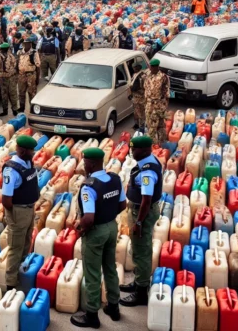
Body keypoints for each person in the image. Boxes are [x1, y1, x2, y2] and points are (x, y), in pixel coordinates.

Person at [71, 147, 124, 328]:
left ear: (91, 164)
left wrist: (81, 229)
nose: (83, 166)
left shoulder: (89, 187)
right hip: (111, 228)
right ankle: (113, 307)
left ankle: (92, 315)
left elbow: (89, 218)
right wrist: (108, 215)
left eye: (84, 163)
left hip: (96, 232)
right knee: (110, 268)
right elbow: (122, 204)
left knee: (92, 273)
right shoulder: (115, 179)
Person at [120, 136, 164, 307]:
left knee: (142, 251)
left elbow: (146, 199)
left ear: (145, 150)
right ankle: (138, 282)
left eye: (135, 150)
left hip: (142, 212)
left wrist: (138, 222)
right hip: (140, 210)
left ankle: (141, 292)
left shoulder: (147, 171)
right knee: (139, 248)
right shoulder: (148, 162)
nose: (132, 152)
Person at [2, 135, 39, 291]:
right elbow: (6, 199)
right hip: (19, 211)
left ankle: (21, 274)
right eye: (31, 150)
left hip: (29, 209)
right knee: (15, 248)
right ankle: (10, 284)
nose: (34, 153)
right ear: (23, 151)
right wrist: (14, 215)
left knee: (25, 243)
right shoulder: (11, 170)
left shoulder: (28, 163)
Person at [143, 59, 170, 144]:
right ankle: (156, 146)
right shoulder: (148, 76)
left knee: (158, 127)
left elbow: (167, 93)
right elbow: (145, 89)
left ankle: (159, 145)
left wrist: (165, 106)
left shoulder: (163, 77)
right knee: (151, 126)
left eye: (152, 67)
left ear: (157, 67)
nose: (150, 68)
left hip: (159, 105)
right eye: (150, 66)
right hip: (149, 105)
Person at [16, 36, 40, 113]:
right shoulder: (20, 52)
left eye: (28, 44)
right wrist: (17, 74)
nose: (26, 45)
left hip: (31, 75)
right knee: (21, 92)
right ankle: (22, 107)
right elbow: (17, 63)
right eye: (25, 44)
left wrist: (37, 79)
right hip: (21, 75)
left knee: (32, 93)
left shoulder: (34, 53)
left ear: (30, 44)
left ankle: (32, 108)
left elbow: (38, 66)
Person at [0, 43, 18, 117]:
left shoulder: (10, 56)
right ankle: (5, 110)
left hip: (11, 77)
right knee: (4, 95)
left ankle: (14, 110)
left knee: (13, 94)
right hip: (3, 78)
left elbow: (15, 64)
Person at [129, 62, 147, 130]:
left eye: (135, 67)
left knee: (141, 112)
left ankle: (142, 125)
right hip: (135, 96)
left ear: (139, 67)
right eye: (133, 67)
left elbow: (144, 87)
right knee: (135, 112)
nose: (134, 69)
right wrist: (130, 94)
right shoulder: (134, 75)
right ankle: (136, 124)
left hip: (140, 97)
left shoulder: (142, 76)